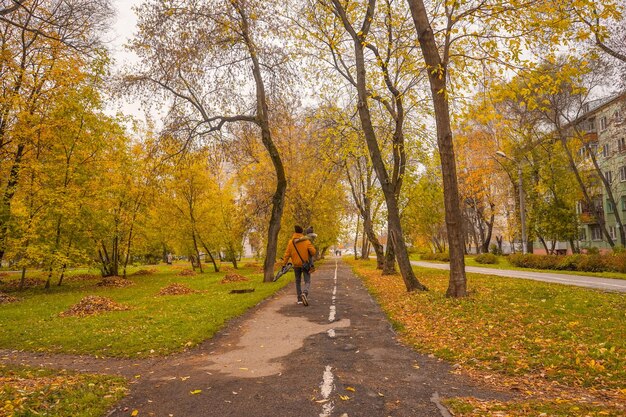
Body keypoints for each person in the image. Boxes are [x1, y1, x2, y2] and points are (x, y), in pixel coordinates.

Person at [282, 225, 317, 306]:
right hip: (305, 264)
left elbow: (287, 255)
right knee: (307, 281)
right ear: (302, 232)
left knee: (298, 282)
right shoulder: (306, 241)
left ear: (295, 232)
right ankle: (305, 293)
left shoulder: (291, 242)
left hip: (296, 265)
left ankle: (299, 299)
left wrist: (284, 265)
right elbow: (313, 252)